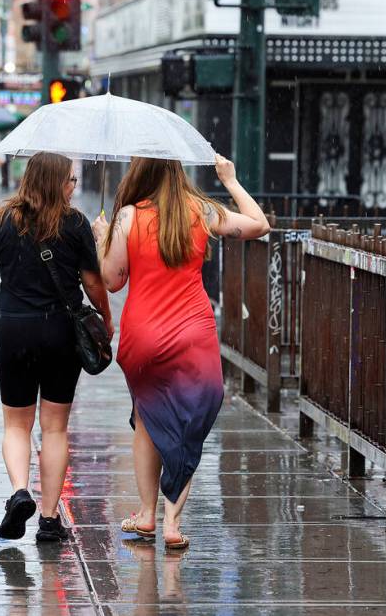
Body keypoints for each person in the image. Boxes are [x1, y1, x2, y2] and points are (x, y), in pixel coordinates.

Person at [91, 154, 269, 549]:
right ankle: (172, 523)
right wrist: (232, 181)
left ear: (141, 173)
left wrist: (101, 237)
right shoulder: (202, 210)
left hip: (144, 336)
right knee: (188, 424)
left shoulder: (128, 218)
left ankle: (145, 514)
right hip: (193, 333)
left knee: (147, 418)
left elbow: (112, 280)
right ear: (177, 172)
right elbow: (259, 224)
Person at [0, 152, 113, 543]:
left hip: (16, 332)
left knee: (16, 424)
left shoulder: (3, 218)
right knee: (55, 428)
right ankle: (49, 521)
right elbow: (93, 284)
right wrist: (106, 317)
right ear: (53, 182)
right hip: (60, 334)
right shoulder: (76, 223)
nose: (73, 186)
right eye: (69, 179)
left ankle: (19, 491)